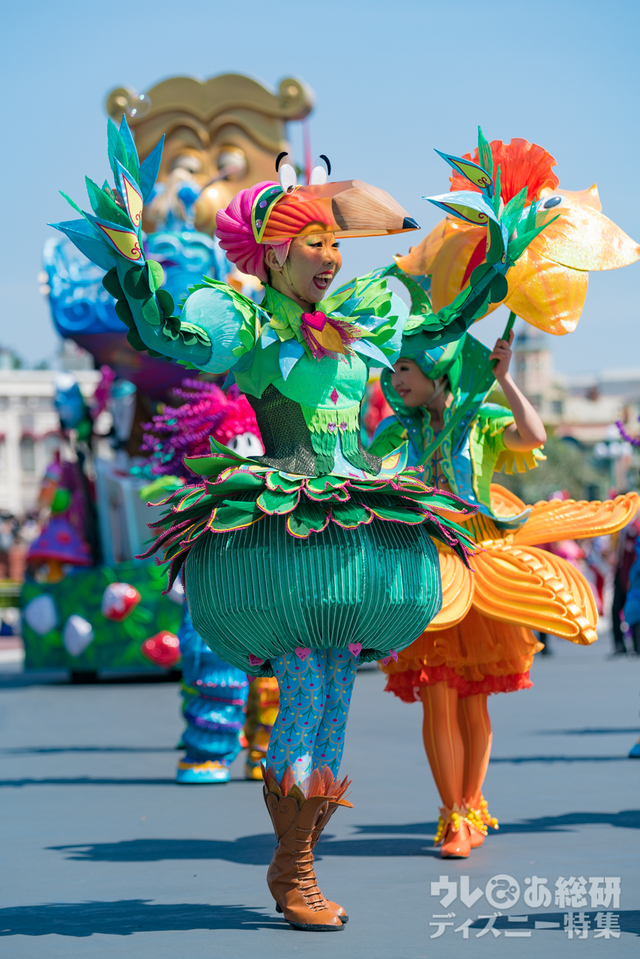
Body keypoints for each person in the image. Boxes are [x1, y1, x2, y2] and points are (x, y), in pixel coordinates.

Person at [53, 120, 552, 929]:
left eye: (333, 242)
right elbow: (173, 335)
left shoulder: (357, 333)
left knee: (332, 704)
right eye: (311, 241)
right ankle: (294, 871)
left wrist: (500, 258)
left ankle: (301, 864)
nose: (329, 256)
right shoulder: (251, 330)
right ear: (273, 255)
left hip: (350, 533)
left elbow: (442, 323)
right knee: (304, 693)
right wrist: (134, 267)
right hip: (288, 532)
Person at [369, 330, 639, 858]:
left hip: (482, 564)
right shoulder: (396, 431)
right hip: (428, 566)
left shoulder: (481, 422)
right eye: (394, 369)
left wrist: (504, 380)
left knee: (473, 696)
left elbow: (533, 436)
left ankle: (471, 806)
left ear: (439, 372)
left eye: (406, 368)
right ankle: (451, 818)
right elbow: (368, 474)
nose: (395, 379)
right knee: (437, 693)